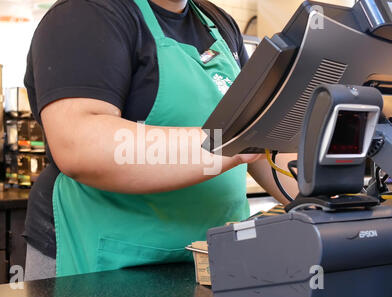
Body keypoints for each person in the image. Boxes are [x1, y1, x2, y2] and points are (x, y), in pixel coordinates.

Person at [23, 0, 297, 281]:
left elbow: (262, 142)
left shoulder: (218, 25)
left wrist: (326, 189)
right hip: (105, 265)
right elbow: (80, 145)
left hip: (212, 261)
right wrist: (229, 143)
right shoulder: (86, 12)